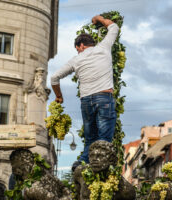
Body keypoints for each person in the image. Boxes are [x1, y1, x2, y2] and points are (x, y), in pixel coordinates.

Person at [51, 15, 119, 171]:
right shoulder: (104, 47)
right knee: (104, 139)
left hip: (86, 101)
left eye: (77, 49)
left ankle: (81, 164)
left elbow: (54, 77)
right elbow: (113, 26)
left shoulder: (76, 60)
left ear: (81, 45)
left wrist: (59, 96)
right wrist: (99, 18)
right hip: (104, 98)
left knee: (90, 140)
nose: (78, 52)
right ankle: (100, 171)